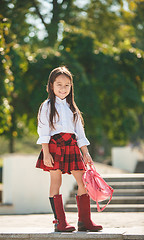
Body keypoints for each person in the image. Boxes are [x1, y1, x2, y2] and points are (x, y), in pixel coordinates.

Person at [36, 66, 103, 232]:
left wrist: (85, 153)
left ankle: (85, 221)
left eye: (67, 85)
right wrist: (46, 153)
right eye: (59, 84)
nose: (63, 88)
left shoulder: (72, 107)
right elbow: (43, 130)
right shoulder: (46, 106)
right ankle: (60, 221)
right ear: (51, 85)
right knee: (55, 182)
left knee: (83, 182)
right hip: (53, 147)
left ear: (71, 86)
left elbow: (80, 133)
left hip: (73, 147)